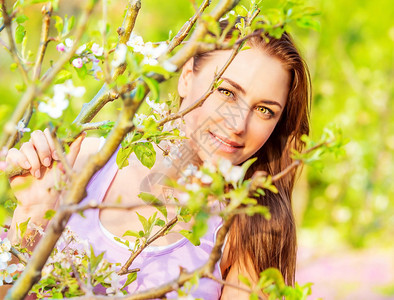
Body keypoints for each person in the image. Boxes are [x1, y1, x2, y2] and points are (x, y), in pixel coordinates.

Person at [4, 18, 310, 299]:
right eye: (227, 92)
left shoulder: (249, 226)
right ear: (187, 78)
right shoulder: (79, 164)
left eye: (264, 110)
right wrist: (33, 215)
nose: (238, 124)